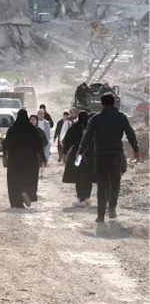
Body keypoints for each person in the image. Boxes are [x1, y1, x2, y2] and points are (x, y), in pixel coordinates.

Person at [78, 93, 140, 224]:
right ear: (114, 102)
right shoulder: (121, 117)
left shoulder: (96, 118)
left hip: (101, 155)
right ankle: (112, 207)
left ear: (102, 103)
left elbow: (87, 136)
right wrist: (136, 149)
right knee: (115, 181)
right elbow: (130, 133)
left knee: (102, 184)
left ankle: (101, 215)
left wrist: (80, 151)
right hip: (116, 154)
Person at [3, 108, 45, 208]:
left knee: (15, 180)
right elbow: (39, 144)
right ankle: (26, 192)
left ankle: (17, 201)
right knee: (28, 178)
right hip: (30, 161)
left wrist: (5, 153)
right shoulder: (32, 129)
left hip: (15, 161)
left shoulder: (12, 129)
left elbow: (6, 144)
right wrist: (43, 158)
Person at [61, 111, 93, 207]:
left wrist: (64, 152)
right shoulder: (91, 127)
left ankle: (80, 198)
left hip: (77, 155)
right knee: (88, 177)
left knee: (79, 177)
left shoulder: (74, 127)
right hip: (89, 155)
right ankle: (87, 197)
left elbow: (67, 141)